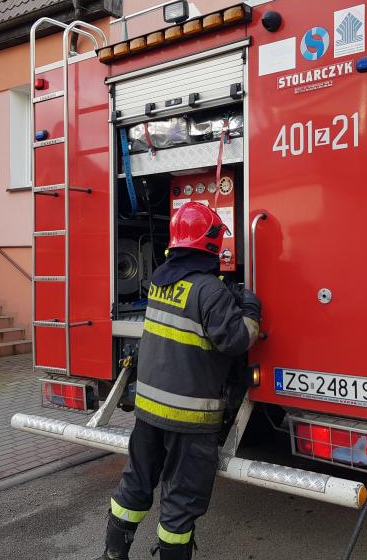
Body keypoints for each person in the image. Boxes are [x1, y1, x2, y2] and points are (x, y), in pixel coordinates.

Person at [97, 201, 262, 560]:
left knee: (136, 483)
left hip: (148, 413)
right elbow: (236, 341)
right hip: (189, 419)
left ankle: (112, 554)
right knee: (180, 502)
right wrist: (249, 310)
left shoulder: (161, 280)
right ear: (211, 243)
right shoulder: (210, 291)